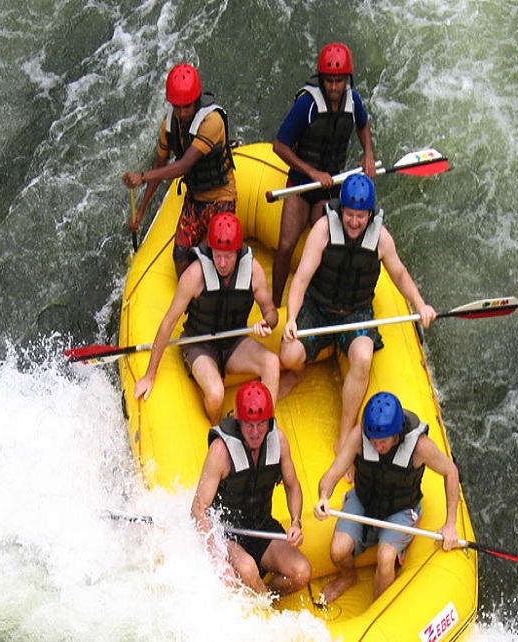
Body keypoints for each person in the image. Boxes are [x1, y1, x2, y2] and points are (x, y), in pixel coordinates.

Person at [280, 174, 436, 453]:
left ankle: (344, 436)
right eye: (350, 214)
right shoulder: (323, 230)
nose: (354, 222)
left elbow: (399, 274)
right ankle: (298, 373)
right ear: (341, 210)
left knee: (363, 359)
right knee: (289, 356)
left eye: (360, 216)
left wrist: (420, 304)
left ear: (370, 214)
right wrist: (291, 318)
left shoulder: (381, 239)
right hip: (318, 307)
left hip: (356, 312)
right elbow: (301, 278)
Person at [313, 392, 461, 603]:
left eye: (382, 442)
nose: (375, 446)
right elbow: (333, 473)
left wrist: (451, 523)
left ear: (396, 434)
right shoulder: (360, 436)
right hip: (365, 500)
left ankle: (378, 608)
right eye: (372, 440)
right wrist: (323, 496)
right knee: (337, 551)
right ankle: (348, 578)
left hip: (401, 508)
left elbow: (451, 471)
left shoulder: (420, 446)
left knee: (385, 557)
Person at [133, 213, 279, 425]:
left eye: (228, 256)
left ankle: (264, 428)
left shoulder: (253, 271)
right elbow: (168, 322)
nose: (221, 263)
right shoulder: (195, 275)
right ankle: (216, 426)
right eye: (217, 255)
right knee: (215, 393)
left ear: (238, 252)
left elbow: (271, 312)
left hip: (234, 343)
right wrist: (149, 375)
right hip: (199, 344)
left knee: (272, 363)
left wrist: (268, 322)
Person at [271, 42, 377, 307]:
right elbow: (279, 145)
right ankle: (273, 305)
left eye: (339, 81)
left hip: (330, 186)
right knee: (286, 245)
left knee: (326, 249)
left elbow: (363, 125)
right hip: (300, 183)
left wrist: (368, 154)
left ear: (347, 80)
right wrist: (312, 171)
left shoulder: (354, 102)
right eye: (329, 80)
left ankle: (315, 302)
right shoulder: (307, 104)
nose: (333, 87)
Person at [191, 381, 311, 597]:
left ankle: (264, 598)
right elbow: (198, 508)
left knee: (301, 572)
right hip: (227, 533)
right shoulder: (221, 451)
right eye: (248, 425)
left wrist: (296, 522)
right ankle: (266, 609)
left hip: (261, 526)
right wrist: (217, 555)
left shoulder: (279, 440)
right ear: (238, 421)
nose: (255, 433)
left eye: (261, 424)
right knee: (247, 568)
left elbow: (292, 486)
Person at [122, 62, 235, 276]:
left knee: (219, 256)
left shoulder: (212, 122)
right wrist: (142, 210)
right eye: (177, 107)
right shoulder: (169, 125)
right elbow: (160, 164)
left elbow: (184, 165)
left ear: (196, 101)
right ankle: (193, 302)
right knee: (180, 256)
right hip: (194, 199)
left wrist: (142, 177)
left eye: (187, 107)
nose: (182, 113)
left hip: (222, 196)